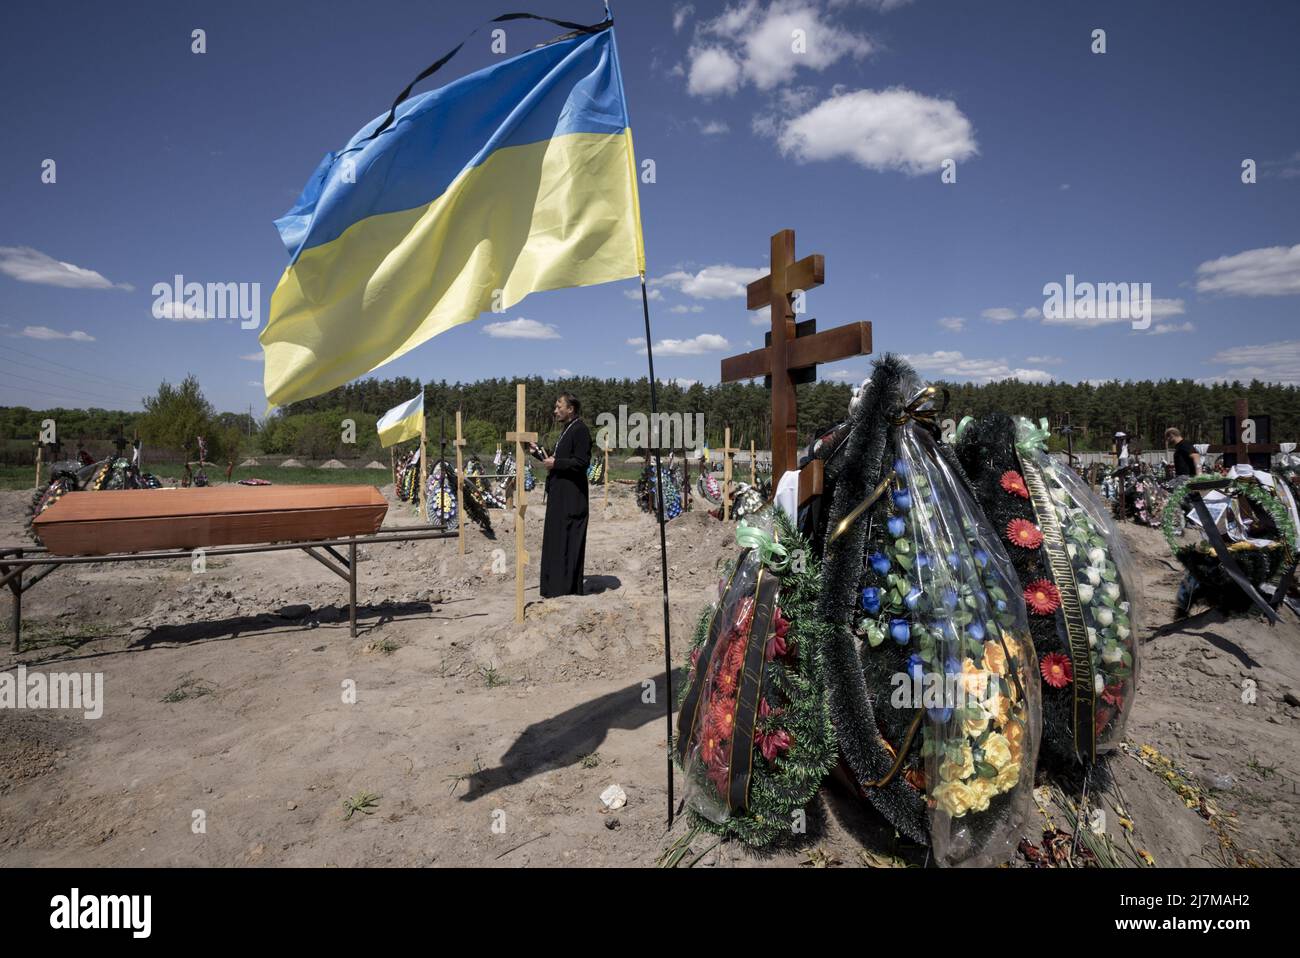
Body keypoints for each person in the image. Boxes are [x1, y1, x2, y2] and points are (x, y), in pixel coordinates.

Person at [533, 392, 591, 598]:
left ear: (570, 409)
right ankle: (554, 587)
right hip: (560, 494)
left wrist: (556, 463)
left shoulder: (580, 430)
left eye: (559, 407)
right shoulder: (567, 430)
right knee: (556, 540)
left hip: (571, 497)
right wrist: (537, 452)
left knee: (567, 540)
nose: (555, 410)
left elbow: (581, 462)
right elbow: (559, 458)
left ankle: (565, 589)